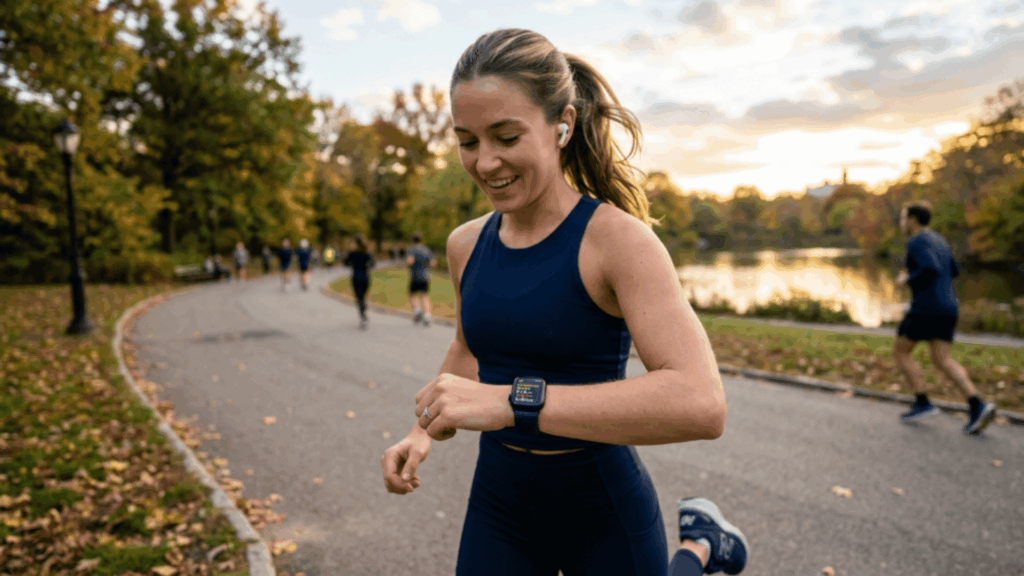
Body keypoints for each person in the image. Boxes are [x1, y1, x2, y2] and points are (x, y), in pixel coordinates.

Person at [380, 29, 748, 576]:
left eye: (506, 137)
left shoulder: (619, 242)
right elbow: (468, 345)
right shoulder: (464, 244)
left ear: (563, 126)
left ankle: (699, 547)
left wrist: (513, 402)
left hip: (600, 504)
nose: (484, 162)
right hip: (499, 502)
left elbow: (701, 402)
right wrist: (420, 431)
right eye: (468, 140)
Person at [894, 200, 996, 434]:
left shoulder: (917, 240)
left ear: (912, 220)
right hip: (949, 307)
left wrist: (907, 279)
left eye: (902, 218)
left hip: (926, 308)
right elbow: (954, 270)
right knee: (942, 359)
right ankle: (977, 405)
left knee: (900, 351)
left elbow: (929, 268)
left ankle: (922, 402)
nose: (901, 223)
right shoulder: (940, 240)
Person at [344, 234, 376, 330]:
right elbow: (373, 264)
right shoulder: (367, 253)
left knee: (359, 298)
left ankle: (363, 317)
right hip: (366, 277)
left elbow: (345, 263)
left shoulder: (352, 254)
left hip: (356, 277)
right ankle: (364, 310)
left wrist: (350, 254)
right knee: (362, 297)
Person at [406, 232, 437, 326]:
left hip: (415, 276)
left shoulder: (412, 250)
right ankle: (427, 316)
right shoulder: (427, 250)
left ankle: (417, 310)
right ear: (421, 239)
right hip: (425, 276)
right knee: (425, 296)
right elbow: (433, 263)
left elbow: (410, 261)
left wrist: (409, 265)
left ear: (413, 240)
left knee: (412, 294)